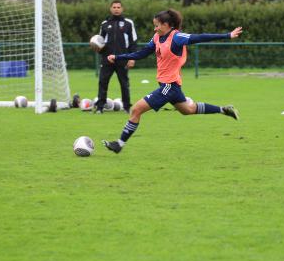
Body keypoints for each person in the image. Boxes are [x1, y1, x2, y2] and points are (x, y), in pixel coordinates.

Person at [102, 9, 242, 153]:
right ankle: (223, 110)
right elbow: (141, 53)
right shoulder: (157, 37)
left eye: (157, 25)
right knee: (188, 110)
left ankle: (119, 144)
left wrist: (227, 35)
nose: (155, 29)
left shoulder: (177, 37)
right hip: (169, 85)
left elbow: (199, 37)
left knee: (136, 109)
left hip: (169, 86)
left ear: (167, 24)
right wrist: (119, 57)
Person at [95, 0, 137, 114]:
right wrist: (97, 48)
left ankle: (127, 107)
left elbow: (133, 42)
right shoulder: (104, 24)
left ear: (122, 9)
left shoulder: (128, 23)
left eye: (118, 7)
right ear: (110, 9)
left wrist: (132, 58)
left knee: (124, 83)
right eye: (114, 7)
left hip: (122, 59)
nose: (116, 9)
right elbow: (100, 41)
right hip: (107, 59)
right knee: (103, 82)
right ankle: (100, 107)